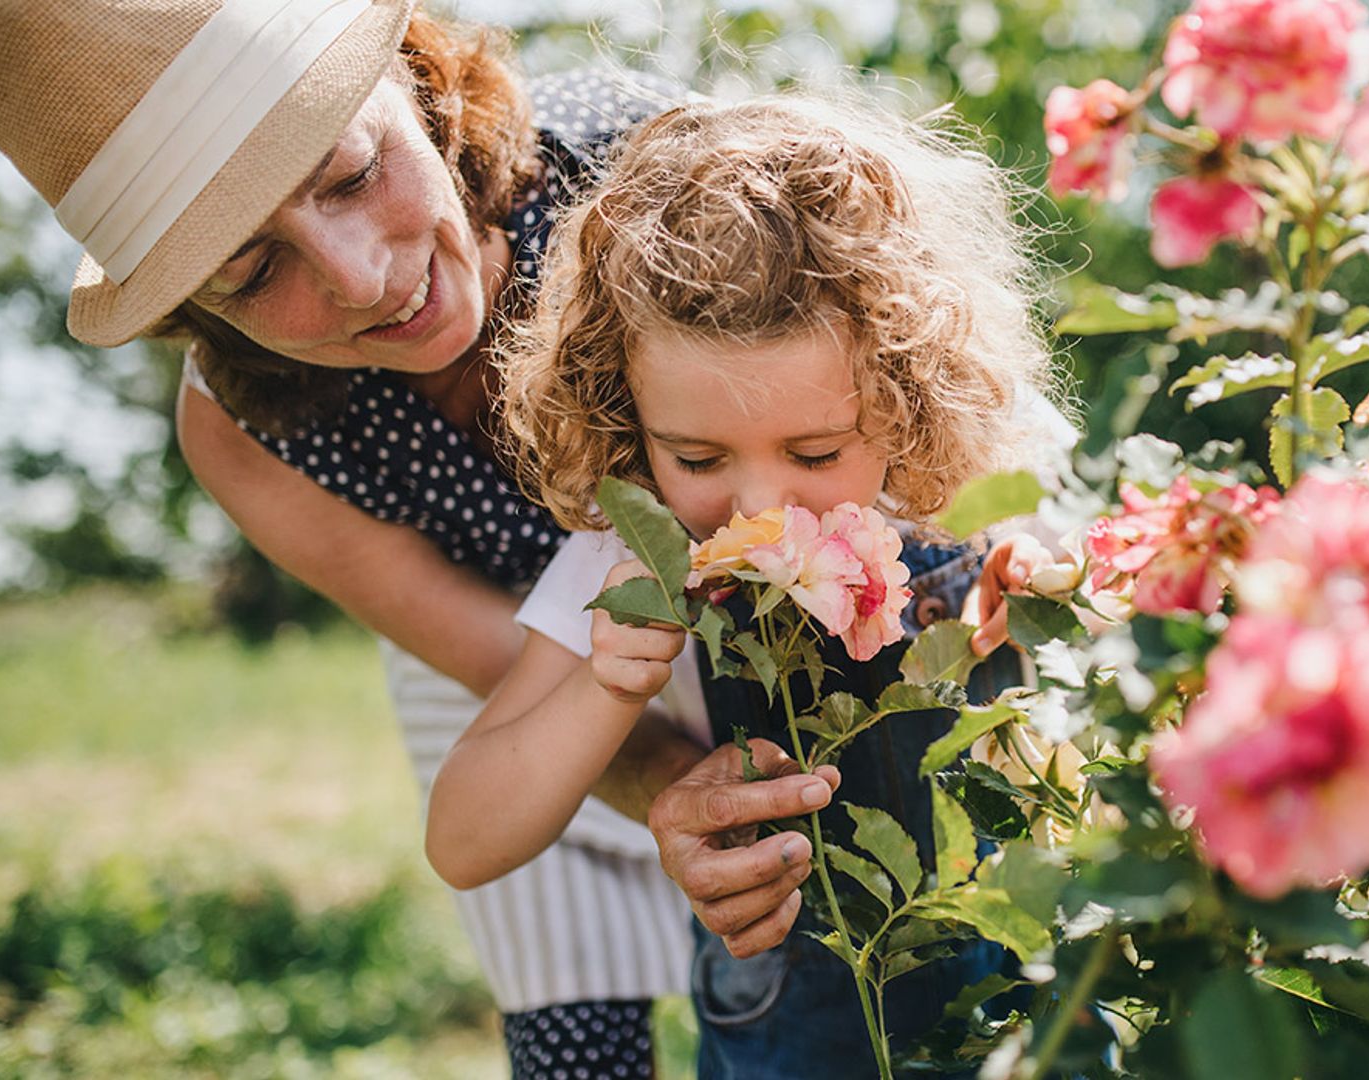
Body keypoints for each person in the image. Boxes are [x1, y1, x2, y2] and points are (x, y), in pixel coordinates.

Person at [0, 2, 768, 1075]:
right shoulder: (242, 427)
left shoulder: (649, 182)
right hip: (516, 669)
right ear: (197, 315)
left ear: (419, 82)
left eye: (350, 175)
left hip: (767, 582)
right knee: (574, 1042)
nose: (361, 277)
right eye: (252, 275)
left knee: (819, 972)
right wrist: (681, 798)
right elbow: (498, 661)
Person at [424, 94, 1072, 1076]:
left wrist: (1059, 600)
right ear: (626, 416)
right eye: (696, 456)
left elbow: (1128, 648)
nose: (758, 505)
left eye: (815, 451)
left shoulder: (971, 490)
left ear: (900, 397)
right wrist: (608, 686)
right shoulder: (635, 553)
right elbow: (464, 837)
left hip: (1021, 988)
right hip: (792, 1022)